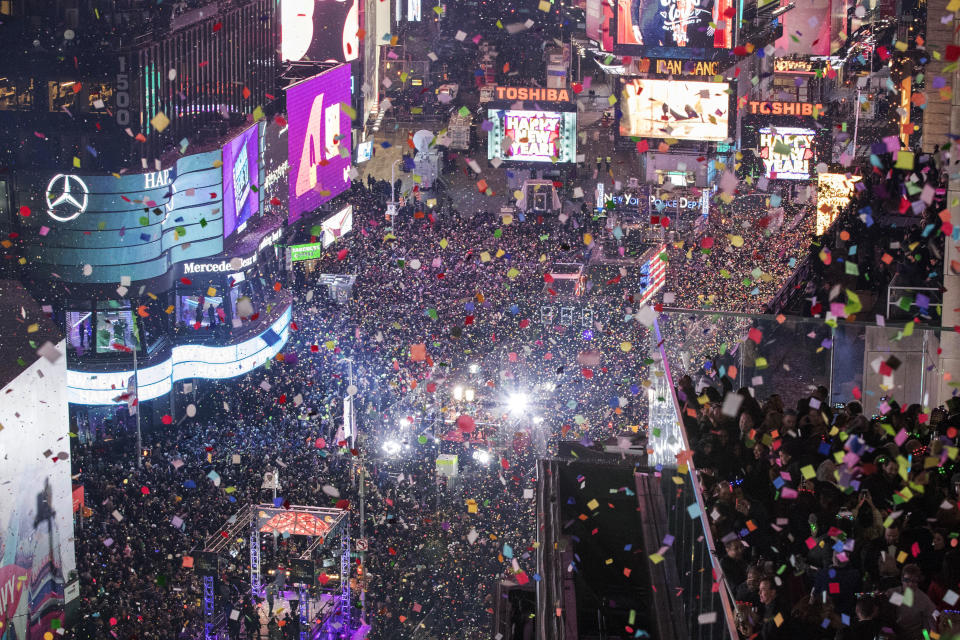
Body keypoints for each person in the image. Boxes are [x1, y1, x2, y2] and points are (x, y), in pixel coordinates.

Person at [884, 564, 937, 640]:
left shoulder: (923, 600)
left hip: (915, 636)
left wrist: (927, 638)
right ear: (902, 579)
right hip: (894, 635)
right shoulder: (893, 593)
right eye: (907, 580)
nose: (910, 584)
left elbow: (930, 623)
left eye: (914, 581)